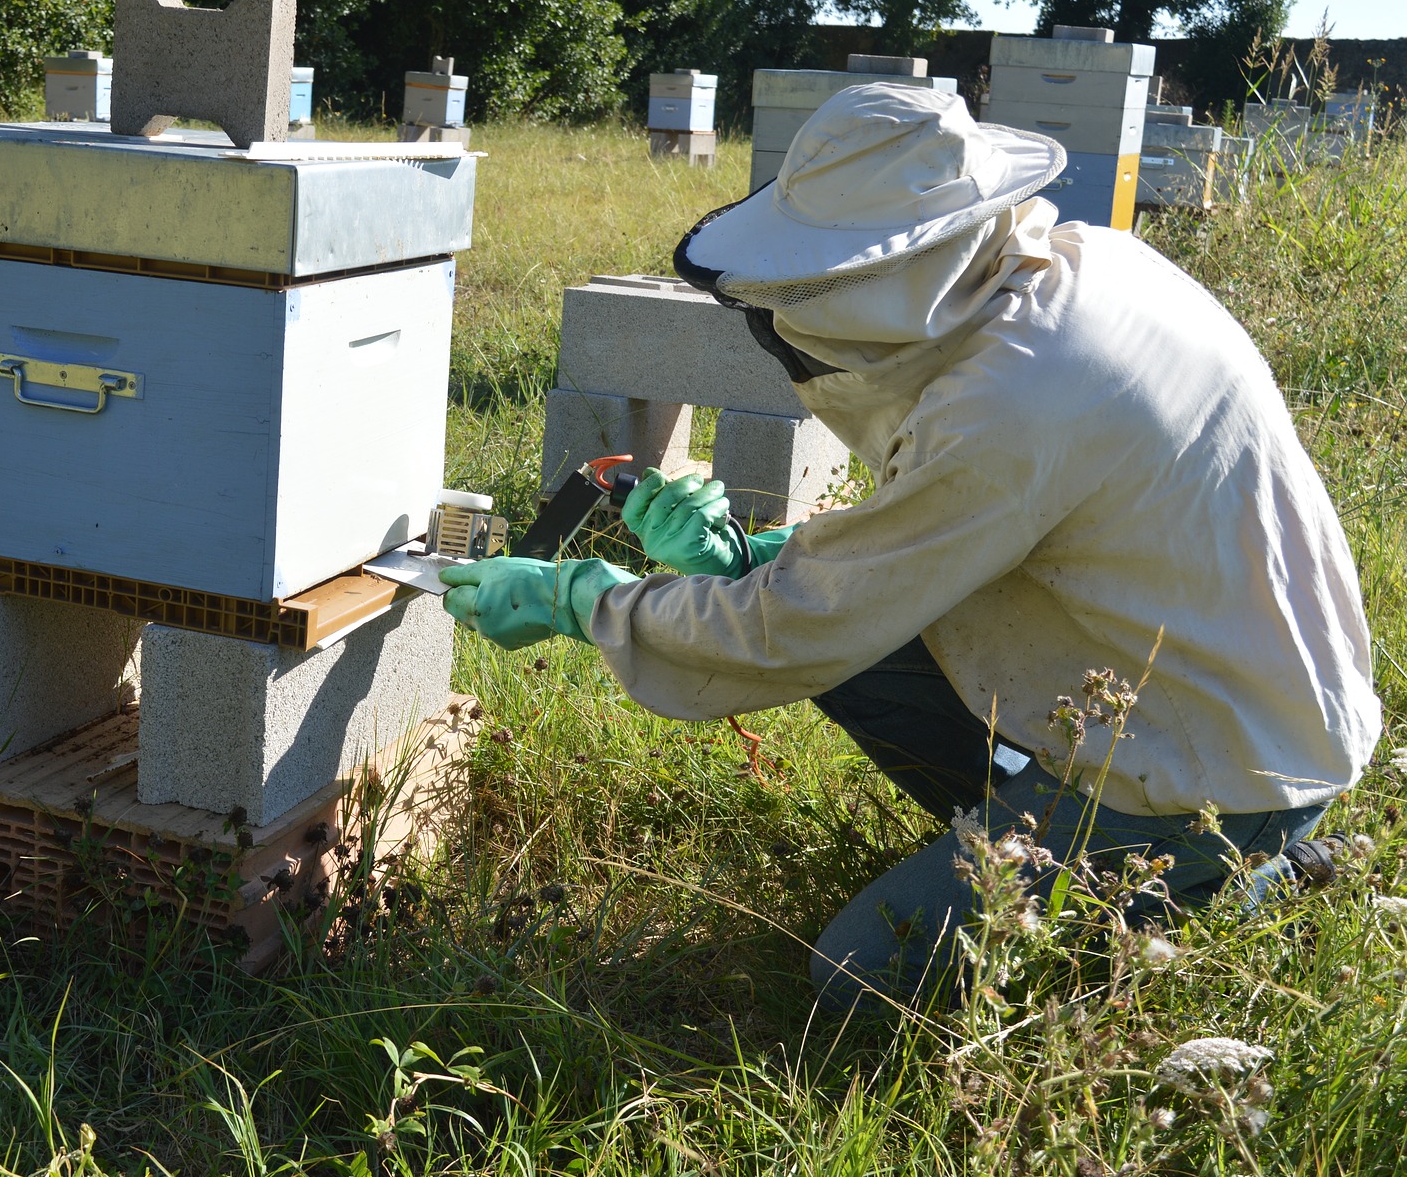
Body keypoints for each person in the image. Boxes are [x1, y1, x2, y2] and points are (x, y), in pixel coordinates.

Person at [437, 84, 1381, 1010]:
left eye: (822, 281)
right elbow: (944, 549)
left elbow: (809, 622)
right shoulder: (1081, 268)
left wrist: (580, 600)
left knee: (859, 977)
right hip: (1212, 683)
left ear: (902, 269)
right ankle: (1090, 845)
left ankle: (1225, 882)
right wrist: (752, 559)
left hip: (1207, 768)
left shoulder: (1018, 398)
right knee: (850, 654)